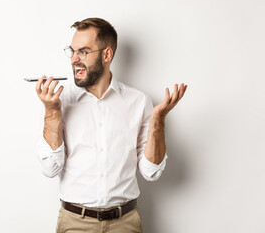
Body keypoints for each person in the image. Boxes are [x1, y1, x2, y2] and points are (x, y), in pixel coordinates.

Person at [35, 18, 187, 233]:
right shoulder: (59, 100)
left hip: (124, 223)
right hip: (75, 223)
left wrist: (158, 120)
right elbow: (50, 169)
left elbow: (151, 172)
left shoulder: (139, 101)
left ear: (106, 55)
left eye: (84, 52)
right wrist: (51, 111)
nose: (75, 59)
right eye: (72, 51)